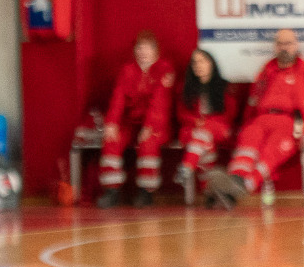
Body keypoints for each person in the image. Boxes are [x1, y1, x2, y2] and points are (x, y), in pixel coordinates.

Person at [205, 29, 304, 208]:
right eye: (280, 44)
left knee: (270, 153)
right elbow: (253, 101)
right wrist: (246, 125)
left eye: (288, 43)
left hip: (290, 123)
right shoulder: (267, 70)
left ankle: (240, 187)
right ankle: (234, 181)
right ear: (275, 46)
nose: (284, 48)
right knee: (246, 146)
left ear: (296, 45)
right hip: (261, 119)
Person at [97, 31, 175, 208]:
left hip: (157, 123)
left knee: (148, 143)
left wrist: (150, 126)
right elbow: (118, 98)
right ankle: (111, 191)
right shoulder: (127, 70)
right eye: (139, 48)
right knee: (111, 141)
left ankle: (146, 192)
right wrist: (111, 123)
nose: (143, 52)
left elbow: (160, 102)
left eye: (147, 48)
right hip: (129, 122)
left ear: (156, 51)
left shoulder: (164, 70)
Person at [176, 48, 241, 203]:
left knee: (204, 135)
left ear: (211, 63)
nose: (198, 65)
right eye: (195, 62)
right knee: (206, 144)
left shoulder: (224, 86)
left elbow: (230, 114)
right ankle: (210, 192)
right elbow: (181, 114)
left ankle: (187, 167)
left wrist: (207, 122)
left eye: (202, 61)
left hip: (218, 128)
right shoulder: (186, 88)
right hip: (193, 130)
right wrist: (195, 122)